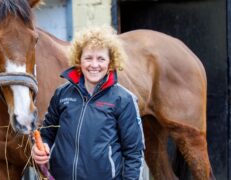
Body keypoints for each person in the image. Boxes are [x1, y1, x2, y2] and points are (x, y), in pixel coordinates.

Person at [31, 26, 146, 180]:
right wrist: (41, 146)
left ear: (111, 62)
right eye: (88, 58)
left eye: (101, 59)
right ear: (79, 60)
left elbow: (134, 153)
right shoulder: (62, 94)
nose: (94, 65)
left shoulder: (123, 100)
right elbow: (47, 132)